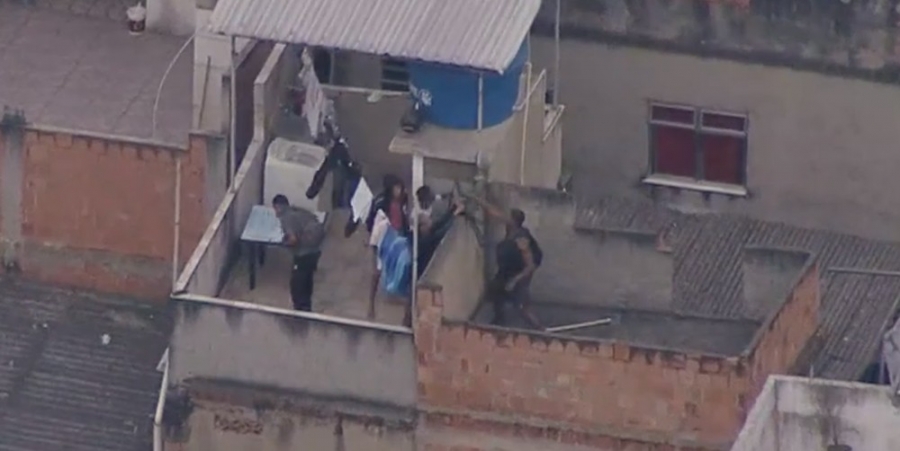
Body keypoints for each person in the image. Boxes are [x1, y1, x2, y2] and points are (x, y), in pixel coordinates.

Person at [469, 195, 544, 329]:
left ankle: (540, 330)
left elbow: (530, 265)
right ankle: (499, 319)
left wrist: (515, 280)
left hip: (519, 274)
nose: (504, 217)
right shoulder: (511, 228)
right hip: (507, 270)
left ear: (513, 221)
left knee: (522, 307)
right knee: (495, 290)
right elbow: (493, 211)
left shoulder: (521, 239)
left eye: (508, 216)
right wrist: (476, 198)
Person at [365, 175, 409, 316]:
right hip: (383, 240)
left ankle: (394, 293)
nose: (399, 191)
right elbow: (373, 224)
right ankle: (371, 304)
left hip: (398, 238)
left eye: (400, 188)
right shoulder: (381, 203)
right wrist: (374, 244)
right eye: (396, 188)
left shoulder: (403, 201)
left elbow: (404, 219)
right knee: (377, 272)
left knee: (397, 267)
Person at [273, 194, 325, 312]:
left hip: (302, 254)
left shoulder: (286, 217)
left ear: (278, 207)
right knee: (307, 281)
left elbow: (293, 239)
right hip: (315, 252)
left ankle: (299, 312)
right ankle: (307, 309)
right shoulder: (300, 211)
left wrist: (284, 244)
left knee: (297, 285)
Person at [413, 186, 465, 277]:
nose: (431, 220)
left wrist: (453, 209)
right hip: (424, 273)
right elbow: (443, 231)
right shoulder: (425, 241)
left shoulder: (427, 232)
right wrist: (455, 214)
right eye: (428, 221)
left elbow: (439, 223)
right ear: (422, 227)